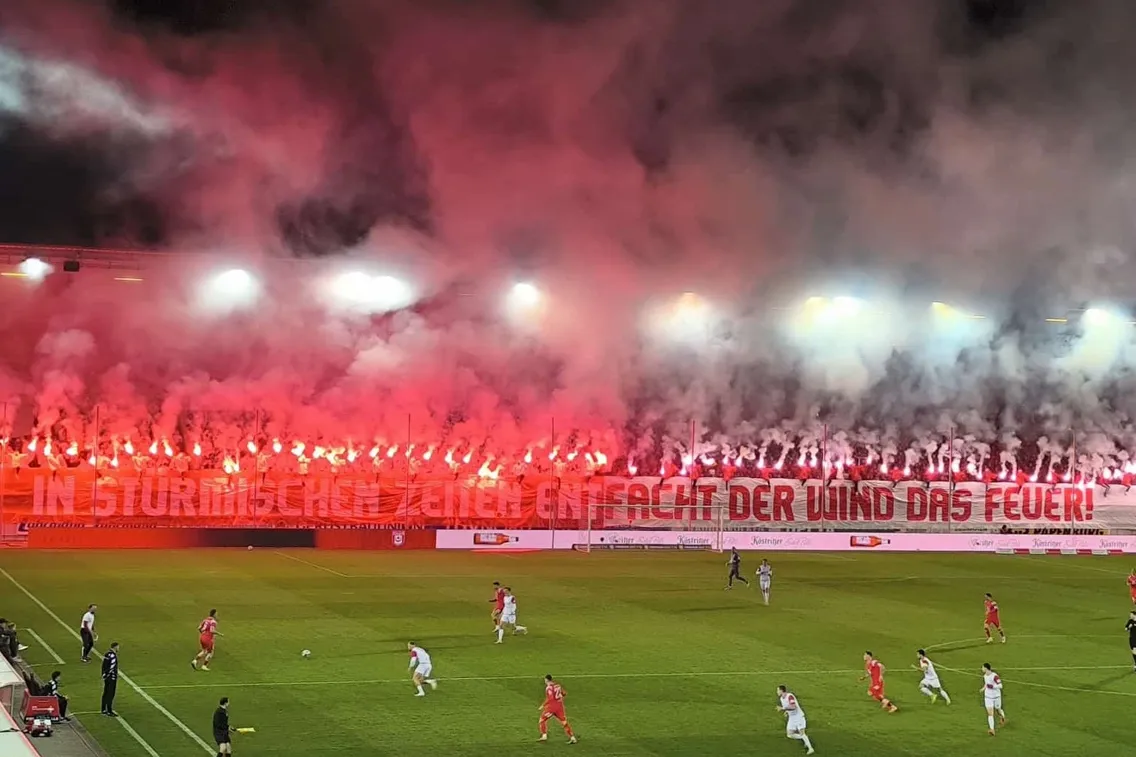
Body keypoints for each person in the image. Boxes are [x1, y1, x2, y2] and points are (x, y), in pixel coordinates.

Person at [775, 685, 814, 754]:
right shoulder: (781, 698)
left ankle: (810, 748)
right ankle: (804, 738)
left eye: (778, 690)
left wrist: (783, 708)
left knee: (802, 732)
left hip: (798, 717)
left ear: (781, 691)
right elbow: (788, 706)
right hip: (792, 718)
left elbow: (793, 706)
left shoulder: (789, 696)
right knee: (789, 734)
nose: (777, 692)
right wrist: (787, 712)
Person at [538, 675, 577, 744]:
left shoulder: (548, 688)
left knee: (542, 720)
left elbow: (550, 698)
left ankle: (544, 736)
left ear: (546, 680)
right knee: (564, 723)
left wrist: (543, 705)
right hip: (560, 707)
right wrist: (560, 697)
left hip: (552, 708)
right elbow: (564, 693)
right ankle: (572, 738)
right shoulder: (558, 686)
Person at [980, 663, 1006, 735]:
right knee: (990, 713)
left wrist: (992, 686)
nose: (982, 669)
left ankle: (1003, 717)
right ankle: (992, 729)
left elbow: (1000, 685)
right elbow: (986, 684)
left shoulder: (994, 676)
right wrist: (983, 688)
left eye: (982, 667)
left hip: (996, 696)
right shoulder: (985, 676)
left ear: (986, 668)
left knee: (998, 709)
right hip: (988, 697)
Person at [101, 642, 119, 716]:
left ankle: (103, 709)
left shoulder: (107, 654)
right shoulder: (113, 656)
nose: (118, 648)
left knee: (105, 693)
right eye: (118, 647)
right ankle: (109, 710)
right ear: (115, 647)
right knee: (110, 694)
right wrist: (109, 675)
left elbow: (103, 666)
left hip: (106, 677)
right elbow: (112, 667)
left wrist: (104, 675)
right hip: (111, 678)